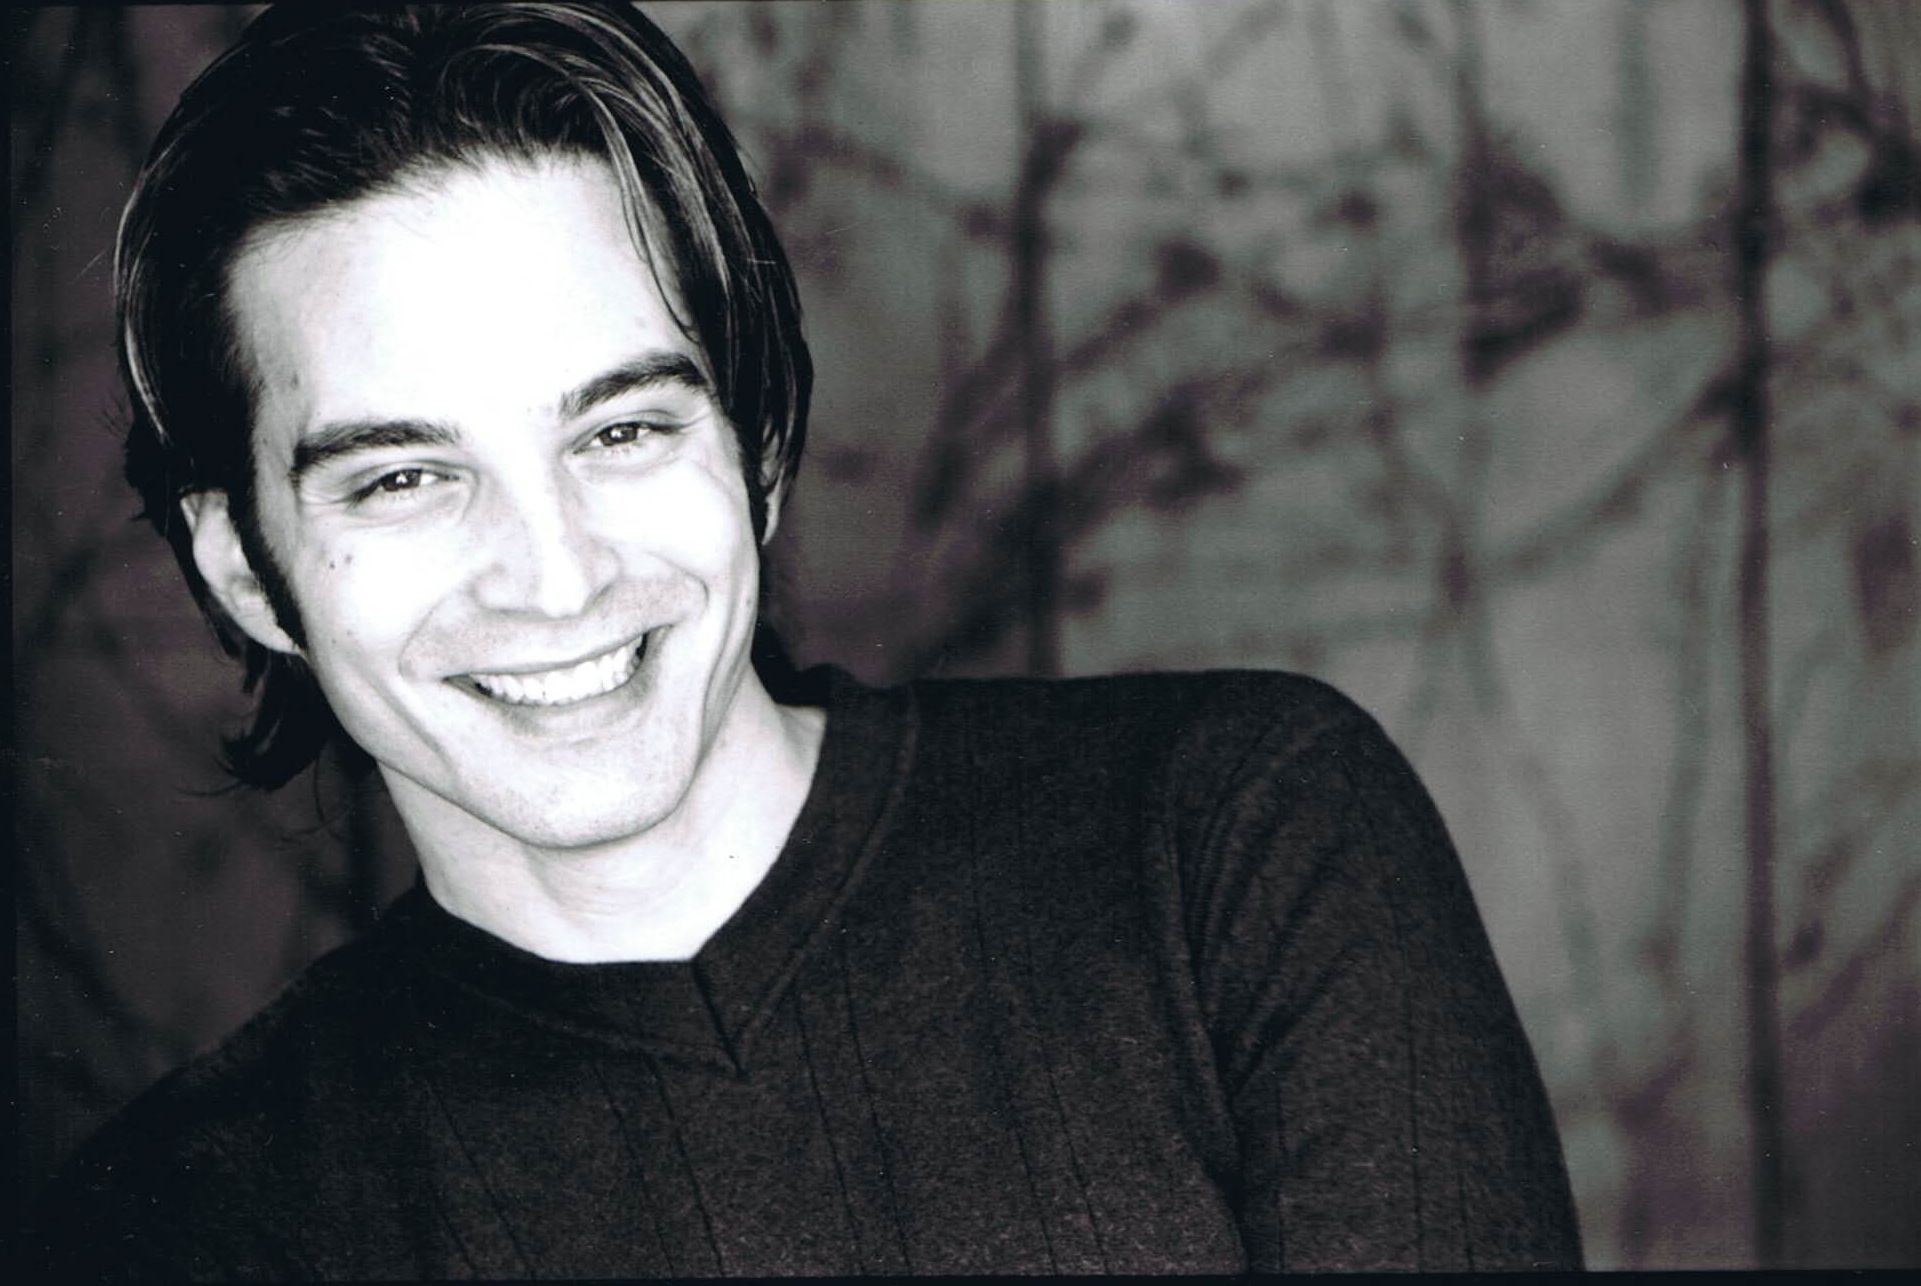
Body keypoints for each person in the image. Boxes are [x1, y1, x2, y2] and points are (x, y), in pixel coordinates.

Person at [29, 2, 1583, 1276]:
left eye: (622, 429)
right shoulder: (178, 1225)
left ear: (757, 447)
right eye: (405, 478)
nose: (555, 577)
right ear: (246, 570)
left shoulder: (1232, 839)